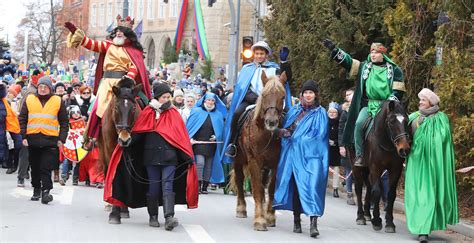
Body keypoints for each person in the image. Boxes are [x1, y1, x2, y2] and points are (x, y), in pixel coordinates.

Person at [104, 82, 198, 228]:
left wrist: (186, 155)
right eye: (164, 97)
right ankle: (153, 217)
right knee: (153, 188)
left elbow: (180, 137)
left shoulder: (174, 114)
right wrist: (128, 143)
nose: (167, 100)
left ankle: (169, 218)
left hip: (169, 158)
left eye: (169, 97)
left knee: (167, 186)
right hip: (151, 158)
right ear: (158, 97)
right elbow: (139, 133)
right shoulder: (147, 113)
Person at [64, 15, 151, 150]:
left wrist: (129, 76)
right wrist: (76, 32)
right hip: (107, 83)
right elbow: (92, 44)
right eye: (117, 31)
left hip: (126, 82)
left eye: (121, 31)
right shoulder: (108, 45)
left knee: (145, 102)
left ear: (127, 34)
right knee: (97, 108)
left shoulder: (134, 50)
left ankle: (150, 130)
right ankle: (91, 137)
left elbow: (135, 66)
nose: (118, 33)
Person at [323, 40, 405, 167]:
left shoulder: (395, 70)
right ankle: (360, 155)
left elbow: (398, 91)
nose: (373, 55)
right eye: (371, 52)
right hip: (369, 105)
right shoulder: (364, 67)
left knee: (401, 124)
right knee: (359, 123)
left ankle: (402, 151)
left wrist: (391, 101)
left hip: (388, 106)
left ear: (383, 54)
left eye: (376, 52)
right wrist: (335, 50)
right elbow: (348, 62)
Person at [273, 80, 328, 238]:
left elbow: (319, 136)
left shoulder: (321, 113)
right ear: (302, 95)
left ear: (315, 94)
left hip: (312, 158)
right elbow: (286, 130)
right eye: (306, 93)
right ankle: (296, 220)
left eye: (311, 92)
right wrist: (281, 132)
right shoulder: (294, 111)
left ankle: (313, 224)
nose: (308, 95)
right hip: (293, 157)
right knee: (296, 188)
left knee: (313, 188)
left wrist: (297, 139)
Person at [405, 88, 458, 243]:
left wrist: (429, 146)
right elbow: (404, 137)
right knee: (417, 195)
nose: (420, 102)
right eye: (420, 100)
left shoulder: (441, 118)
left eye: (423, 100)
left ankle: (424, 230)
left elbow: (443, 140)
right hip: (416, 162)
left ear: (431, 102)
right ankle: (421, 227)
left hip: (434, 164)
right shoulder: (413, 117)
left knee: (429, 196)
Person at [222, 42, 292, 159]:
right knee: (237, 114)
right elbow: (243, 88)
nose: (259, 56)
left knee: (286, 117)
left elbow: (286, 77)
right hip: (252, 100)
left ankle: (287, 144)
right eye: (257, 53)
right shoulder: (247, 69)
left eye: (262, 53)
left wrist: (284, 62)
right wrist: (257, 99)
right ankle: (233, 143)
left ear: (266, 55)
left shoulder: (274, 68)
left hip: (271, 102)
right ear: (254, 54)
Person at [18, 76, 68, 204]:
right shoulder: (30, 99)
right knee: (35, 167)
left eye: (45, 87)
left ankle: (46, 191)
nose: (43, 89)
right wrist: (23, 136)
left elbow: (64, 122)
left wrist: (61, 139)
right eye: (40, 87)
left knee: (46, 167)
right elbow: (22, 118)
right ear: (37, 88)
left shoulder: (57, 100)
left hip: (50, 140)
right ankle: (36, 189)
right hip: (32, 139)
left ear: (50, 88)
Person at [186, 93, 226, 194]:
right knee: (200, 163)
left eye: (212, 101)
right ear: (204, 101)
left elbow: (221, 130)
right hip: (198, 143)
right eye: (208, 100)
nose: (210, 102)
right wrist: (190, 138)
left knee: (209, 165)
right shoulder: (196, 111)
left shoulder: (218, 114)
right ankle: (198, 185)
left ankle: (205, 186)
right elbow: (189, 127)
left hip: (211, 144)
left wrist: (217, 136)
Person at [338, 88, 355, 205]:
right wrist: (341, 146)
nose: (348, 96)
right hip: (348, 144)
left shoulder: (362, 108)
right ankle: (349, 193)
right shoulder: (344, 112)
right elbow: (341, 130)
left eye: (350, 94)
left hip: (360, 144)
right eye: (347, 95)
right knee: (349, 169)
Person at [0, 83, 21, 174]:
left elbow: (10, 116)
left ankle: (6, 161)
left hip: (4, 127)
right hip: (4, 127)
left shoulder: (6, 102)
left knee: (4, 143)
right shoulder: (6, 102)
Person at [327, 102, 341, 198]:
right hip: (325, 148)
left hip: (336, 148)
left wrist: (335, 142)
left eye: (334, 112)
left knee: (336, 168)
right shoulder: (324, 121)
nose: (332, 114)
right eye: (330, 112)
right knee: (324, 168)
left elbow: (341, 135)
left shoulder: (340, 122)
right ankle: (323, 186)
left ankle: (335, 188)